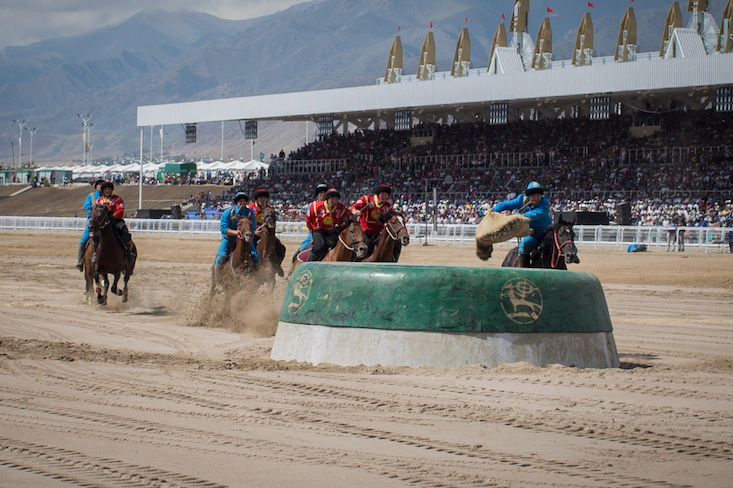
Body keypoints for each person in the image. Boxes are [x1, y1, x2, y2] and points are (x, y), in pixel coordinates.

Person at [493, 181, 553, 268]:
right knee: (523, 247)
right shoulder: (522, 199)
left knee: (563, 244)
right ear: (528, 196)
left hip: (547, 233)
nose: (536, 198)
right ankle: (524, 271)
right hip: (532, 234)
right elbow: (507, 204)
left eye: (538, 195)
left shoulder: (544, 203)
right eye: (533, 196)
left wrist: (512, 216)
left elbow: (533, 215)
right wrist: (494, 211)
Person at [350, 183, 398, 260]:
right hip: (365, 232)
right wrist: (355, 211)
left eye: (386, 194)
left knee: (393, 243)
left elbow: (391, 217)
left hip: (379, 233)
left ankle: (393, 259)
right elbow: (354, 207)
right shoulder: (366, 199)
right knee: (366, 246)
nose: (384, 196)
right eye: (382, 194)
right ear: (378, 194)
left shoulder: (388, 206)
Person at [215, 192, 260, 269]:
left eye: (243, 201)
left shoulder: (250, 213)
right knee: (220, 258)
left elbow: (253, 228)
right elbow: (224, 229)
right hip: (229, 240)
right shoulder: (228, 213)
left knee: (257, 257)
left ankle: (257, 277)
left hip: (245, 241)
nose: (242, 202)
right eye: (240, 201)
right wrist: (237, 233)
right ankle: (217, 279)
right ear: (236, 202)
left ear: (246, 202)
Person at [93, 182, 136, 263]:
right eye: (106, 189)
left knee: (125, 234)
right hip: (103, 223)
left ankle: (128, 253)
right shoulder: (99, 201)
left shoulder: (117, 199)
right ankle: (95, 253)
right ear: (103, 191)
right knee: (95, 236)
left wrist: (114, 216)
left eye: (109, 189)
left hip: (115, 221)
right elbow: (95, 211)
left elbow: (120, 210)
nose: (107, 191)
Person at [247, 188, 286, 276]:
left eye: (264, 198)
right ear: (257, 199)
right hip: (254, 233)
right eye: (260, 198)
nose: (262, 200)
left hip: (266, 234)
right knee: (251, 248)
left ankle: (278, 265)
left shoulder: (269, 209)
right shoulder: (250, 208)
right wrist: (254, 232)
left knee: (281, 248)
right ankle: (250, 267)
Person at [306, 188, 350, 261]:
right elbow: (308, 220)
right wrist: (312, 236)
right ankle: (308, 264)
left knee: (336, 246)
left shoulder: (341, 208)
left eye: (336, 199)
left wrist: (354, 211)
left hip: (331, 231)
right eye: (332, 199)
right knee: (319, 247)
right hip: (318, 231)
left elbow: (349, 213)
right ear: (327, 199)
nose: (334, 201)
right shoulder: (316, 206)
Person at [76, 179, 105, 270]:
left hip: (104, 223)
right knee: (83, 241)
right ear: (96, 187)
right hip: (93, 222)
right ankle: (80, 261)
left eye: (102, 185)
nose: (100, 186)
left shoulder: (107, 197)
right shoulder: (91, 196)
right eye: (98, 185)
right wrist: (94, 210)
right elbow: (86, 205)